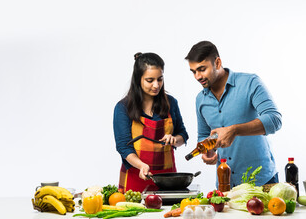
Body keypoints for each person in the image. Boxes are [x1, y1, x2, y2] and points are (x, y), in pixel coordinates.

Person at [185, 41, 282, 188]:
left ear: (217, 63)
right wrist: (208, 151)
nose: (198, 76)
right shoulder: (200, 99)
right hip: (225, 184)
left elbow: (274, 120)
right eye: (193, 71)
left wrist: (234, 130)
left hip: (261, 182)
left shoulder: (250, 83)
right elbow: (204, 134)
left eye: (202, 69)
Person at [113, 52, 189, 192]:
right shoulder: (123, 108)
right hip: (135, 178)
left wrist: (174, 139)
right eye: (150, 80)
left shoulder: (171, 103)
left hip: (168, 180)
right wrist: (141, 165)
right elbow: (123, 147)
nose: (156, 85)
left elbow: (183, 135)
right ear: (138, 79)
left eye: (160, 79)